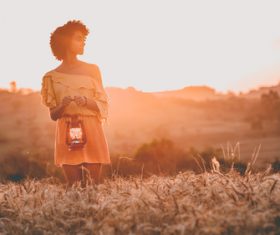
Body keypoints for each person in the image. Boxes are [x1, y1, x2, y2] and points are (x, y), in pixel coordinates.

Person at [40, 20, 111, 188]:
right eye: (78, 38)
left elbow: (103, 104)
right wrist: (63, 105)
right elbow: (53, 115)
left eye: (83, 39)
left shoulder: (93, 70)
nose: (83, 42)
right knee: (73, 188)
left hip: (92, 128)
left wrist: (87, 101)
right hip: (66, 131)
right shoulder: (50, 77)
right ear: (65, 41)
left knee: (92, 187)